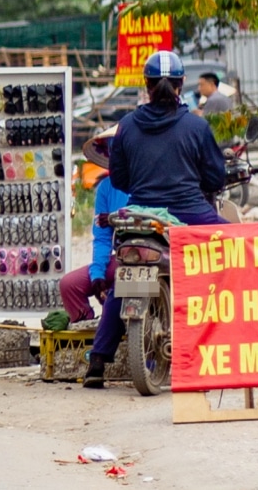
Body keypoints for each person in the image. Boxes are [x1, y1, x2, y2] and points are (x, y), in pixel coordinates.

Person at [83, 51, 227, 388]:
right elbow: (216, 178)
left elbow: (118, 179)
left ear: (146, 85)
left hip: (141, 216)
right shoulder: (196, 125)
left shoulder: (127, 127)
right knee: (237, 246)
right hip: (190, 212)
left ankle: (97, 362)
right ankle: (234, 340)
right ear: (181, 85)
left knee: (126, 279)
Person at [58, 127, 129, 323]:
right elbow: (102, 237)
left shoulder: (146, 180)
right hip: (120, 258)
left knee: (120, 289)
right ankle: (89, 331)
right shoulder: (106, 187)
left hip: (144, 256)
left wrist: (118, 217)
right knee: (69, 285)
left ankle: (113, 328)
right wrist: (97, 275)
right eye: (111, 150)